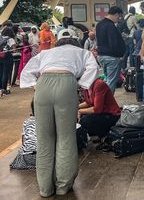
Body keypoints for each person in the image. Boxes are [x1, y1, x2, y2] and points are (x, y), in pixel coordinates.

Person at [20, 29, 98, 197]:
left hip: (43, 86)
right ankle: (63, 186)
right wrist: (81, 84)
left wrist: (36, 86)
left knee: (45, 138)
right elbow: (94, 68)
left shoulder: (46, 53)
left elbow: (26, 72)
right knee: (66, 138)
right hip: (67, 84)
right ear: (75, 40)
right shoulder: (83, 52)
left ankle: (45, 189)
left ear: (58, 42)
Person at [78, 78, 121, 144]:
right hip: (102, 113)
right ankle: (100, 134)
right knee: (82, 117)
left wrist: (80, 111)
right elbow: (89, 102)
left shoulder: (99, 84)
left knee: (85, 120)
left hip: (112, 115)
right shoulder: (86, 87)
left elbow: (97, 109)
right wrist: (75, 107)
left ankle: (105, 135)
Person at [96, 6, 126, 93]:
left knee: (107, 80)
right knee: (111, 82)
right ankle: (107, 102)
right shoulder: (110, 26)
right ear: (116, 14)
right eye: (119, 16)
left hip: (101, 56)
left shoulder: (99, 24)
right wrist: (119, 54)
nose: (119, 19)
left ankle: (103, 101)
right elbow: (113, 43)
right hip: (111, 57)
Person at [10, 101, 37, 170]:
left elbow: (23, 142)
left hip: (27, 157)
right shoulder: (46, 121)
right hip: (43, 158)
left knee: (21, 150)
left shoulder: (26, 121)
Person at [0, 27, 17, 97]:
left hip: (0, 56)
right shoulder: (11, 39)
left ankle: (0, 89)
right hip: (7, 57)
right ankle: (4, 89)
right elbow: (14, 50)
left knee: (0, 73)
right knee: (5, 73)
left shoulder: (0, 38)